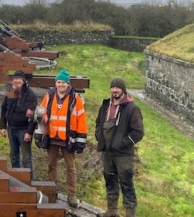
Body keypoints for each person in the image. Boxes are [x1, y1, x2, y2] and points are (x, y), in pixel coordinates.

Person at [95, 78, 144, 217]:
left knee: (126, 184)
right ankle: (112, 211)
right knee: (110, 181)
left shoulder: (132, 108)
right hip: (107, 152)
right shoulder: (105, 105)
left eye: (117, 88)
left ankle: (130, 214)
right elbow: (98, 122)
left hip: (123, 155)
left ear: (123, 90)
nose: (114, 90)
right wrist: (99, 136)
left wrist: (122, 143)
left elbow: (138, 132)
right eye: (112, 87)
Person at [39, 69, 87, 208]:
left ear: (67, 84)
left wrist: (80, 140)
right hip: (52, 138)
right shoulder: (49, 95)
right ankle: (52, 190)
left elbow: (81, 120)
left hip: (68, 139)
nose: (60, 84)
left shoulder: (75, 99)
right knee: (51, 165)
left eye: (63, 82)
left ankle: (71, 194)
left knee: (70, 167)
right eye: (58, 82)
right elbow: (41, 114)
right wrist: (40, 133)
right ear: (56, 83)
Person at [0, 70, 37, 178]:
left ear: (23, 81)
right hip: (11, 128)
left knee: (26, 158)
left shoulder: (31, 95)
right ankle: (16, 178)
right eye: (15, 79)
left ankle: (28, 180)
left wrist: (29, 133)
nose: (16, 81)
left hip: (24, 129)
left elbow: (33, 117)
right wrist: (3, 126)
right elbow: (3, 109)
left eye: (19, 79)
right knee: (14, 156)